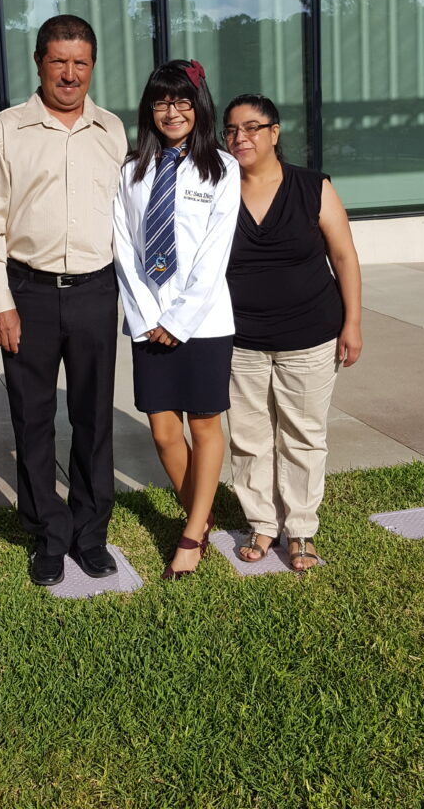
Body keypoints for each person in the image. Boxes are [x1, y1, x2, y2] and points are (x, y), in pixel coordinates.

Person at [0, 14, 128, 586]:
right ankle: (48, 535)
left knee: (93, 419)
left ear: (93, 66)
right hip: (28, 293)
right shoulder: (7, 130)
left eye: (81, 62)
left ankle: (90, 533)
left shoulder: (112, 131)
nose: (70, 73)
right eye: (59, 61)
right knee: (32, 420)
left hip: (95, 291)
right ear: (38, 62)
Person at [222, 94, 362, 572]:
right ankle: (262, 523)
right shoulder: (218, 188)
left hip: (311, 334)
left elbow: (344, 255)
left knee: (303, 435)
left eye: (252, 127)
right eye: (232, 130)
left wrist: (354, 322)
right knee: (249, 436)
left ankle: (300, 529)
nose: (241, 137)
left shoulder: (311, 186)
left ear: (275, 133)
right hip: (240, 340)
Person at [113, 60, 240, 579]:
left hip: (204, 321)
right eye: (162, 101)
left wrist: (181, 318)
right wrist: (147, 315)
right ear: (150, 109)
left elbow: (215, 253)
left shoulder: (222, 169)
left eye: (182, 100)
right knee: (164, 431)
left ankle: (191, 534)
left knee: (203, 424)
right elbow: (123, 244)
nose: (172, 111)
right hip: (147, 321)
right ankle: (203, 514)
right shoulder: (132, 170)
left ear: (198, 105)